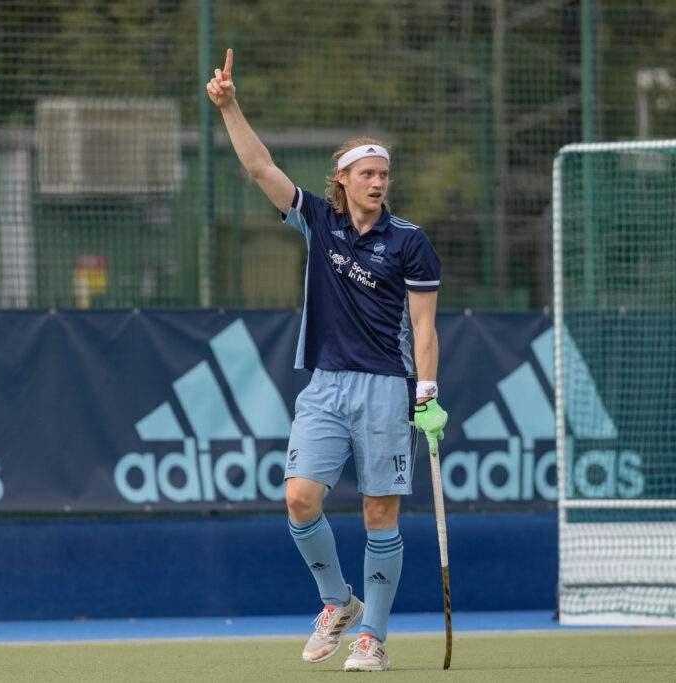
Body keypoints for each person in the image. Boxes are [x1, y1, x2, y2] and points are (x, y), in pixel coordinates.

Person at [206, 49, 448, 672]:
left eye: (383, 174)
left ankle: (373, 637)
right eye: (365, 173)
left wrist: (427, 392)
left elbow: (424, 326)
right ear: (342, 179)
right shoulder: (317, 219)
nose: (376, 182)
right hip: (325, 386)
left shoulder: (410, 242)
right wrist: (230, 105)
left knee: (377, 511)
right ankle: (338, 602)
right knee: (299, 499)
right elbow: (259, 166)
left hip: (387, 389)